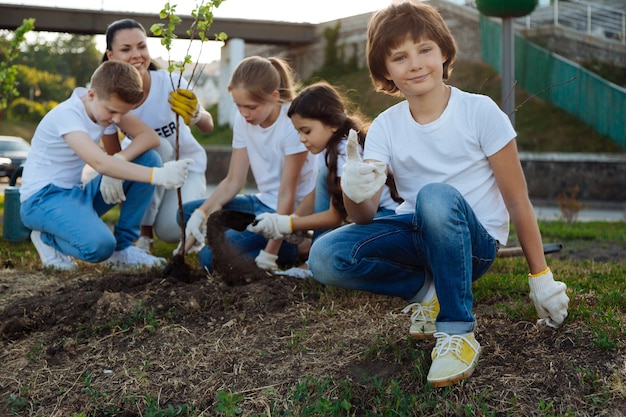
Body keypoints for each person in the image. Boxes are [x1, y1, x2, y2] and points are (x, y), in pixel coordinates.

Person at [307, 1, 570, 388]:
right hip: (415, 234)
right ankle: (425, 291)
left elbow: (517, 200)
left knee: (435, 196)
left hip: (473, 244)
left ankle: (458, 332)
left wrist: (541, 277)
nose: (415, 64)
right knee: (325, 256)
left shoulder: (481, 112)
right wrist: (353, 188)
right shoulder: (384, 127)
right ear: (385, 71)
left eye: (424, 50)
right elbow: (363, 217)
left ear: (444, 52)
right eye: (400, 57)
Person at [20, 60, 193, 271]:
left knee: (150, 158)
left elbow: (150, 137)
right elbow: (100, 162)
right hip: (41, 199)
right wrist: (158, 176)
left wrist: (120, 159)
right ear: (91, 95)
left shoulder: (105, 109)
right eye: (112, 112)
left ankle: (123, 249)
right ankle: (47, 238)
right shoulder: (67, 116)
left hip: (76, 194)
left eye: (123, 113)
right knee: (100, 247)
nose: (117, 119)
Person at [180, 56, 318, 272]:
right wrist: (201, 214)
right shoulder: (242, 119)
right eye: (238, 105)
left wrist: (269, 254)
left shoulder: (292, 122)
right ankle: (246, 243)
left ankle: (293, 246)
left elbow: (287, 194)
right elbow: (233, 180)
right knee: (186, 213)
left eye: (251, 107)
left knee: (208, 259)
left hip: (287, 213)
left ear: (274, 97)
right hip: (260, 203)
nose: (244, 113)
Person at [101, 18, 214, 254]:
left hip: (187, 169)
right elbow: (116, 162)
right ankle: (143, 237)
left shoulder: (170, 83)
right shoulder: (108, 98)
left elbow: (208, 126)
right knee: (158, 148)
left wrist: (197, 115)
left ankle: (205, 218)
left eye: (141, 46)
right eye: (126, 49)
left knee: (171, 230)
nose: (137, 55)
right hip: (149, 171)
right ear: (110, 56)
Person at [248, 81, 401, 251]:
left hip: (386, 217)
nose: (301, 139)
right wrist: (292, 218)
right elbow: (315, 195)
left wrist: (288, 224)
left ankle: (312, 261)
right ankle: (313, 254)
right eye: (298, 132)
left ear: (333, 124)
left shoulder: (344, 153)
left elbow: (334, 217)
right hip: (369, 216)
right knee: (323, 178)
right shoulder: (327, 150)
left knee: (333, 246)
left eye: (306, 131)